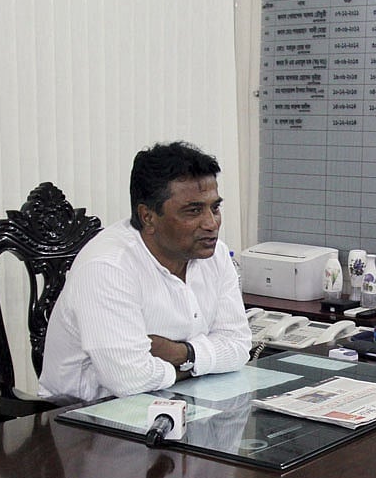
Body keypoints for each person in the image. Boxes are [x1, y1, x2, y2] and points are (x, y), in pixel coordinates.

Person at [39, 141, 252, 403]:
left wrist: (181, 354)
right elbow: (130, 380)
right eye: (194, 211)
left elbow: (238, 347)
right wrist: (202, 364)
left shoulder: (215, 253)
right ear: (148, 217)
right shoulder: (108, 266)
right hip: (84, 416)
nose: (211, 223)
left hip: (177, 402)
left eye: (215, 208)